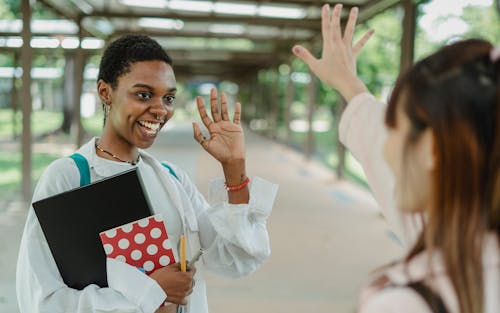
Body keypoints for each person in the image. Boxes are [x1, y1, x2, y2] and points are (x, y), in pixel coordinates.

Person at [16, 34, 278, 313]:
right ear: (105, 92)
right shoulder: (68, 178)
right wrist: (148, 293)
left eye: (168, 98)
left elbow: (237, 258)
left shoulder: (171, 179)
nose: (160, 110)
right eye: (143, 94)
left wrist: (234, 168)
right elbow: (40, 300)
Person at [293, 3, 499, 313]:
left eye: (395, 129)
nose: (386, 149)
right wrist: (349, 85)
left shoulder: (405, 302)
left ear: (432, 150)